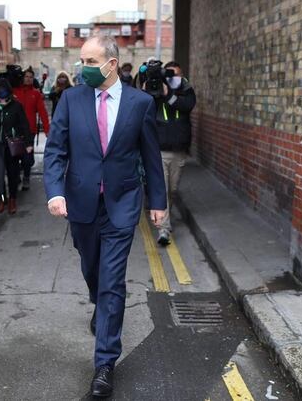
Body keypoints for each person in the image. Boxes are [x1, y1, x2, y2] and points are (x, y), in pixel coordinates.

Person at [43, 35, 166, 398]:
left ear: (111, 64)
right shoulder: (70, 99)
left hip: (122, 203)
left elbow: (150, 156)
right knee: (92, 269)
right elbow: (54, 151)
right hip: (81, 202)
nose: (84, 69)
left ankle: (105, 364)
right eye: (82, 61)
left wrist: (157, 201)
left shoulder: (140, 103)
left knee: (113, 280)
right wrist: (54, 191)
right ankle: (100, 304)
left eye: (90, 62)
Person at [154, 61, 197, 246]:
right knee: (162, 190)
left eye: (176, 75)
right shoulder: (156, 91)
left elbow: (185, 106)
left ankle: (165, 216)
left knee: (172, 189)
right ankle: (164, 229)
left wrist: (168, 94)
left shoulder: (187, 91)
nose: (174, 79)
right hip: (160, 150)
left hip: (179, 150)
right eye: (170, 75)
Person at [0, 79, 33, 214]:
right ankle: (2, 199)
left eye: (3, 89)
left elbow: (24, 125)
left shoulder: (16, 105)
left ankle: (12, 200)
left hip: (11, 145)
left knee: (13, 173)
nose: (1, 91)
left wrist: (28, 143)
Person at [12, 67, 50, 191]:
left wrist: (47, 130)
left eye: (31, 77)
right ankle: (16, 176)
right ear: (22, 78)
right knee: (15, 155)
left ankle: (26, 177)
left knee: (27, 157)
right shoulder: (14, 91)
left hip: (30, 130)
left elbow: (43, 113)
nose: (28, 79)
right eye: (26, 76)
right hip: (14, 130)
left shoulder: (36, 93)